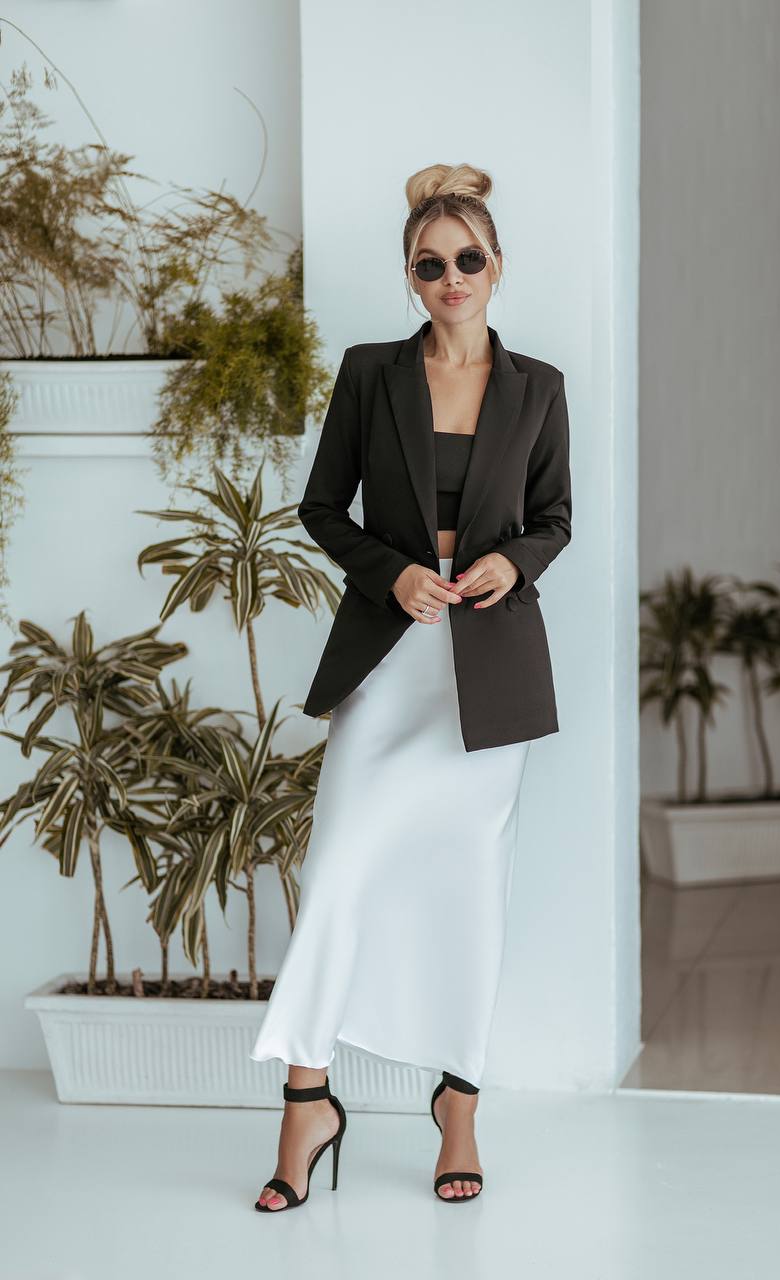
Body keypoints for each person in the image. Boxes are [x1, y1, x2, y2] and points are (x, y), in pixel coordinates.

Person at [250, 163, 572, 1211]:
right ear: (409, 274)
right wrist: (389, 566)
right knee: (339, 864)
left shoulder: (540, 387)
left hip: (490, 666)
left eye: (467, 259)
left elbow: (554, 517)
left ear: (496, 267)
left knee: (468, 891)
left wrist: (510, 563)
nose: (450, 277)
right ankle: (309, 1097)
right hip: (390, 653)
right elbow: (320, 505)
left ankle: (459, 1101)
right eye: (429, 264)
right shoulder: (369, 372)